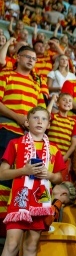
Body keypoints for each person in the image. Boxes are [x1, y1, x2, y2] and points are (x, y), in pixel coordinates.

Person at [0, 106, 65, 256]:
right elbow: (2, 174)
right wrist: (24, 171)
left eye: (44, 119)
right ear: (27, 123)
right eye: (35, 118)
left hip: (40, 203)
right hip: (19, 201)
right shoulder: (15, 143)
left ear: (48, 125)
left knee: (31, 245)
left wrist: (49, 175)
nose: (39, 121)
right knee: (12, 244)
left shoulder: (54, 149)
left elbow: (59, 178)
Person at [0, 45, 47, 219]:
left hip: (27, 137)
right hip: (6, 130)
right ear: (17, 57)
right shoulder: (6, 75)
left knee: (19, 178)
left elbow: (40, 111)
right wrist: (18, 118)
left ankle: (11, 217)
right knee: (3, 174)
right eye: (27, 57)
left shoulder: (36, 84)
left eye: (34, 59)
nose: (31, 61)